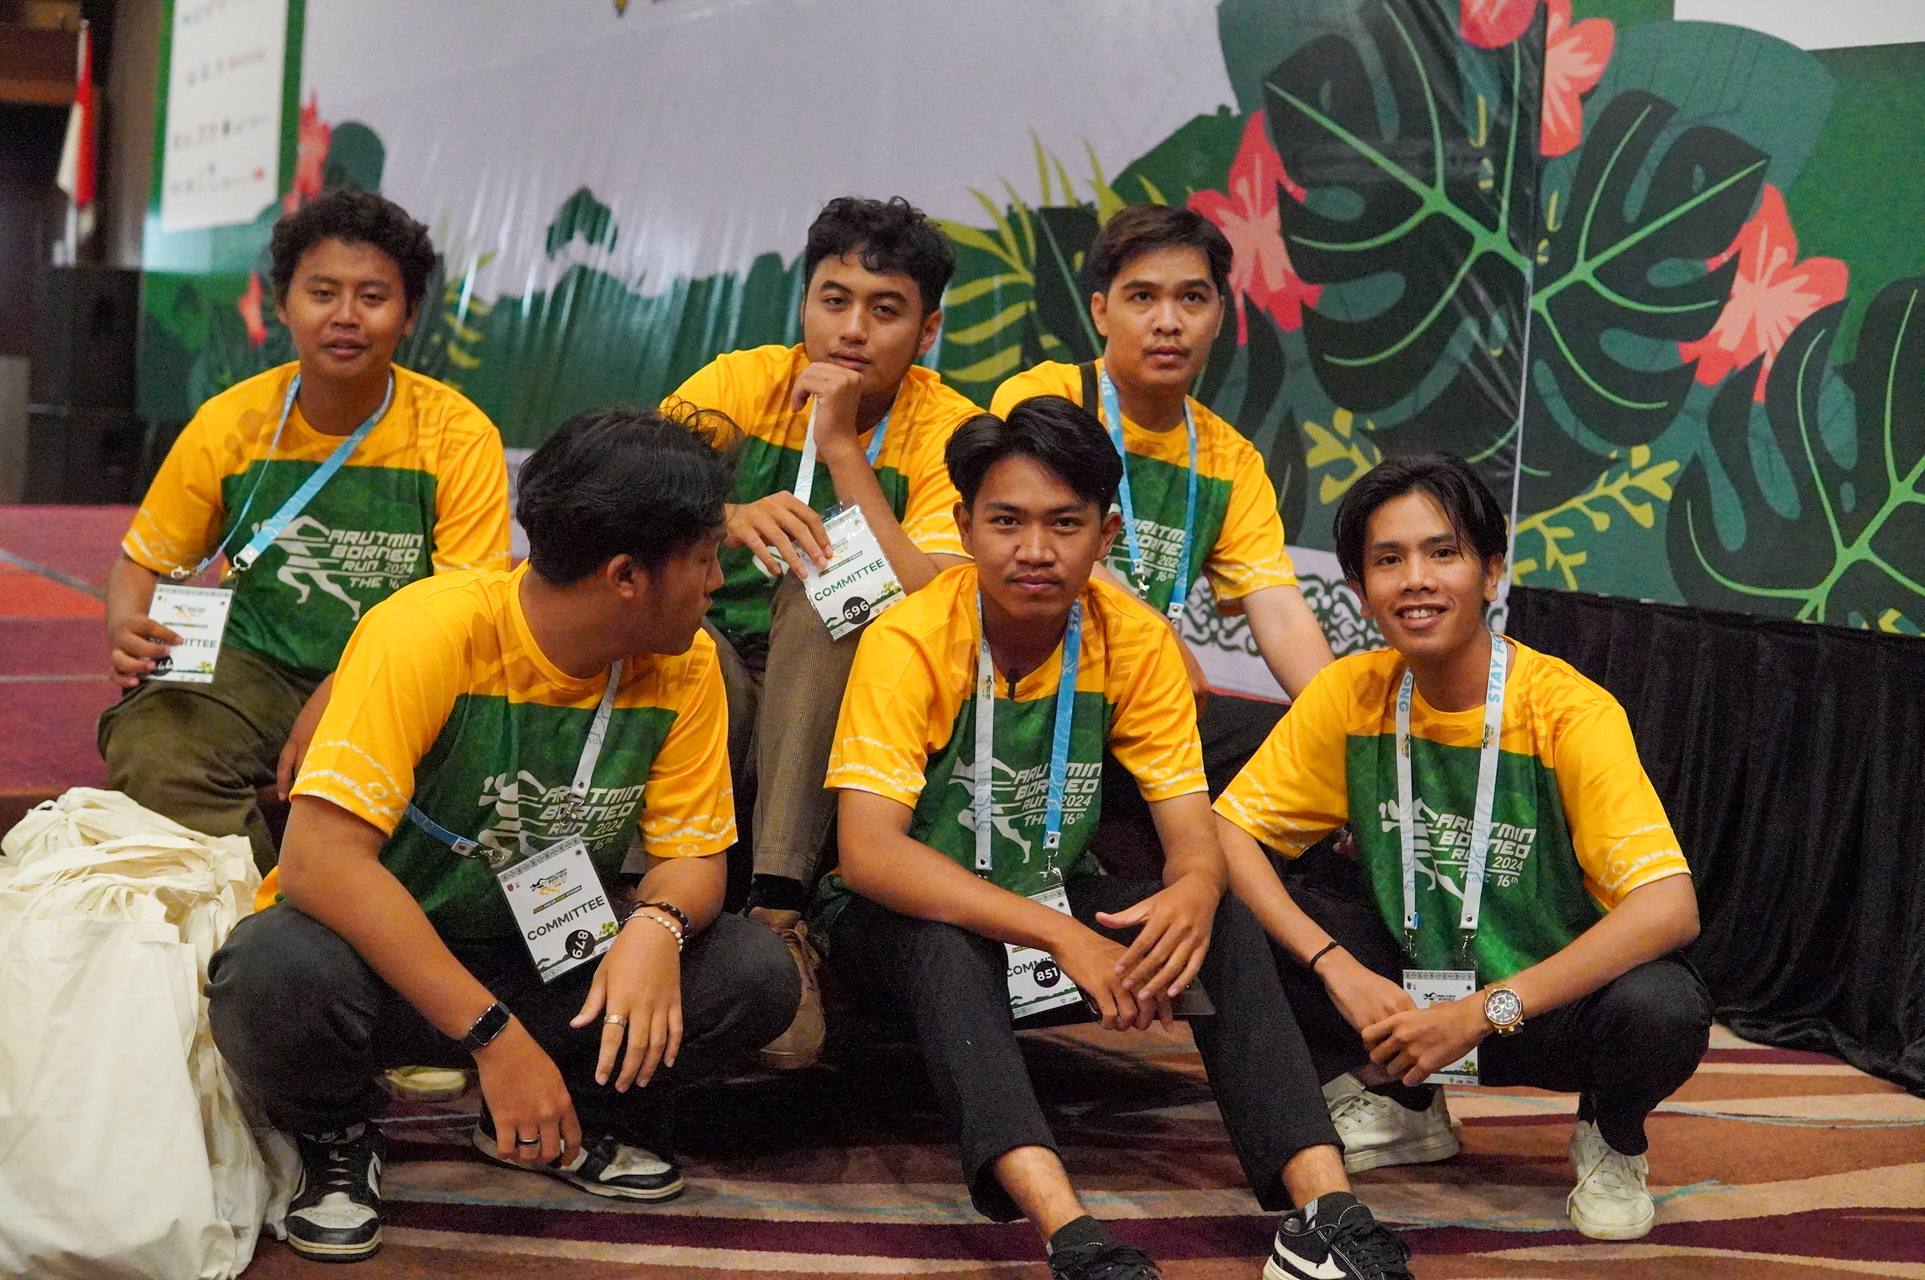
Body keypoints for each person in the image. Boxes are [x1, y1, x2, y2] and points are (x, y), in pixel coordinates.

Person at [813, 397, 1413, 1280]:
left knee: (1220, 919)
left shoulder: (1131, 639)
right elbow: (869, 854)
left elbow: (1191, 833)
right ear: (963, 528)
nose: (1034, 549)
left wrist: (1194, 891)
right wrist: (1060, 935)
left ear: (1106, 535)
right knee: (949, 941)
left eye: (1064, 524)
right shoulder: (911, 637)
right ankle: (1072, 1235)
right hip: (896, 922)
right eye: (1006, 522)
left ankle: (1327, 1212)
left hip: (1046, 898)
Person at [206, 406, 801, 1263]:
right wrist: (493, 1036)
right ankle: (335, 1133)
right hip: (386, 964)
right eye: (705, 558)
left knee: (751, 973)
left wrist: (657, 925)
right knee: (271, 970)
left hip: (548, 953)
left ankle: (551, 1118)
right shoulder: (427, 631)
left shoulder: (688, 661)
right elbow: (318, 863)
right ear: (626, 575)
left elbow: (695, 857)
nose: (716, 582)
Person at [1212, 453, 1711, 1241]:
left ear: (1490, 570)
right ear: (1359, 588)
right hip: (1407, 997)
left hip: (1540, 1011)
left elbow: (1669, 907)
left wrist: (1483, 1010)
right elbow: (1228, 835)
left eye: (1441, 553)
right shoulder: (1349, 694)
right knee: (1225, 917)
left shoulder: (1567, 711)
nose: (1415, 580)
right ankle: (1405, 1104)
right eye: (1388, 560)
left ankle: (1611, 1137)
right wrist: (1335, 967)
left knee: (1662, 1008)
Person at [100, 188, 511, 872]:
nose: (345, 316)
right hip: (253, 667)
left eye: (373, 297)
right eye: (322, 293)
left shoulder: (458, 435)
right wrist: (127, 624)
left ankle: (329, 903)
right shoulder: (230, 422)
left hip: (403, 679)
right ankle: (252, 908)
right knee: (154, 742)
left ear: (409, 313)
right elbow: (143, 563)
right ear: (284, 305)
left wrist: (346, 695)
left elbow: (460, 612)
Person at [664, 195, 980, 1069]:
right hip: (720, 658)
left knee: (832, 587)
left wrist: (841, 447)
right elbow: (626, 500)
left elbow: (941, 597)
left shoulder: (950, 429)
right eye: (832, 300)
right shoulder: (736, 384)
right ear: (803, 302)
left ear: (926, 332)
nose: (851, 330)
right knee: (685, 646)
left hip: (849, 686)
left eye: (885, 310)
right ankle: (648, 906)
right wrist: (725, 515)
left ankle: (778, 913)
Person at [989, 206, 1334, 798]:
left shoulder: (1230, 459)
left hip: (1145, 703)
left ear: (1219, 315)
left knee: (1300, 747)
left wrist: (1348, 731)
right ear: (1102, 311)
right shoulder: (1046, 399)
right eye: (1143, 297)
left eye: (1192, 299)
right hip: (1024, 685)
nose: (1168, 323)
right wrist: (1158, 637)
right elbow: (1036, 551)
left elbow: (1279, 611)